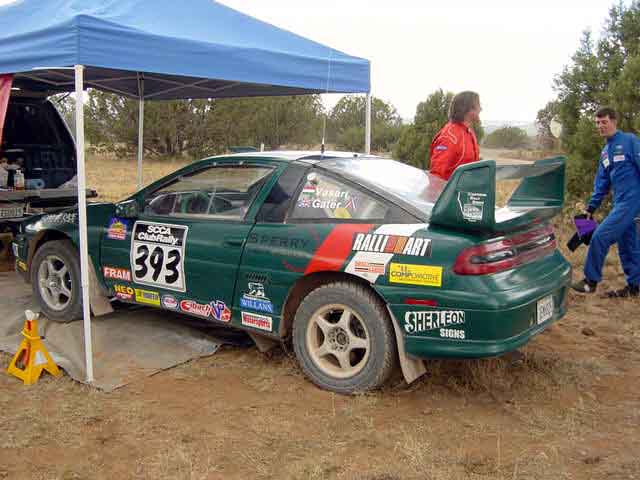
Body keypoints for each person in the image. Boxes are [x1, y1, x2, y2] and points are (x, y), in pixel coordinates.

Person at [572, 107, 640, 298]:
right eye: (597, 123)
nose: (600, 126)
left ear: (614, 122)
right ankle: (635, 287)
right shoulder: (605, 152)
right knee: (628, 245)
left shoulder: (629, 141)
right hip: (620, 202)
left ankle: (590, 281)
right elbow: (601, 183)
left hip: (632, 200)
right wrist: (590, 209)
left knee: (600, 236)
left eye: (604, 122)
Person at [429, 91, 481, 180]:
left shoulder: (469, 132)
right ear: (468, 109)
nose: (480, 109)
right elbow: (436, 175)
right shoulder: (449, 138)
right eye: (478, 105)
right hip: (451, 189)